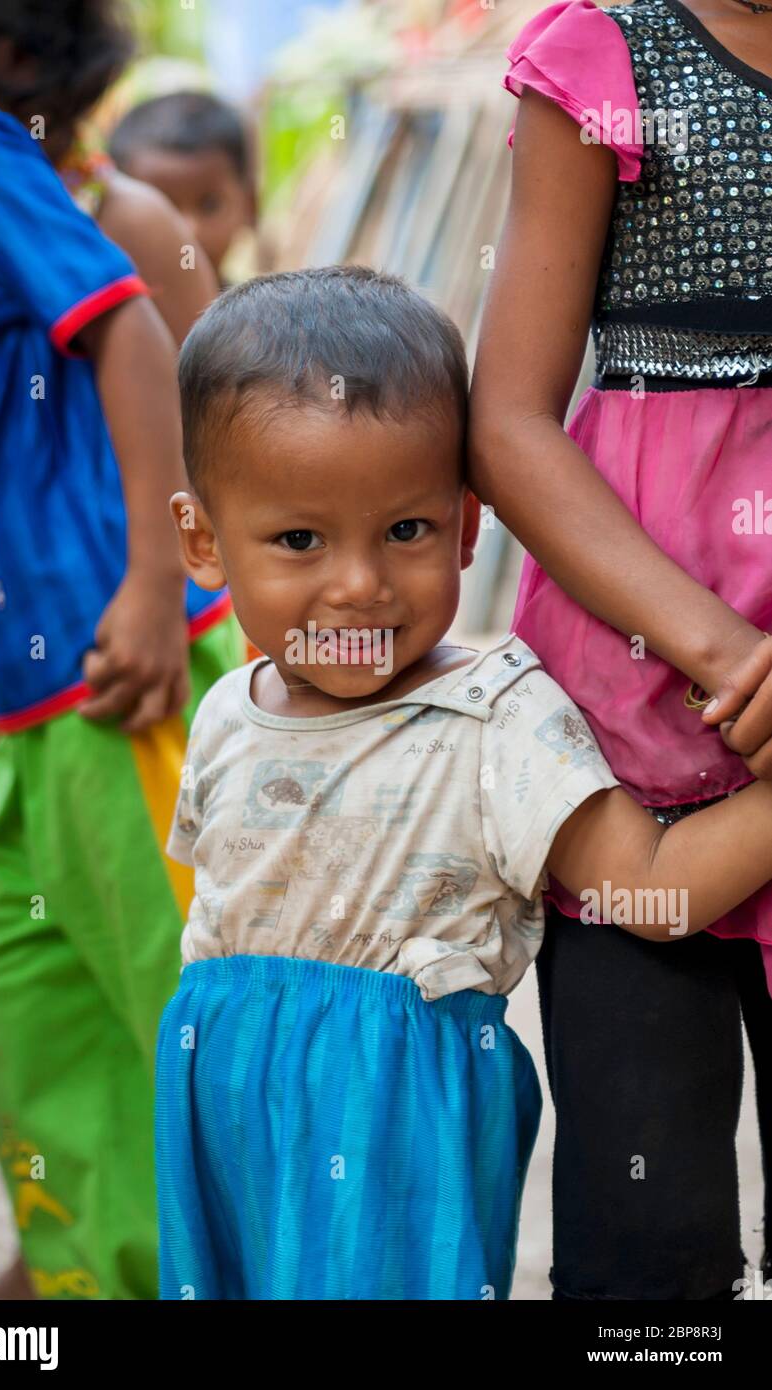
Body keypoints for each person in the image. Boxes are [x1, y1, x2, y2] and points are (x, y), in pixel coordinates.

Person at [156, 266, 772, 1301]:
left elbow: (648, 885)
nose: (359, 582)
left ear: (469, 524)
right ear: (203, 542)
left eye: (407, 531)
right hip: (222, 1114)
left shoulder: (497, 719)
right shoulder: (225, 712)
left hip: (398, 1132)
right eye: (299, 539)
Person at [0, 1, 241, 1299]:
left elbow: (128, 327)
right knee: (42, 1031)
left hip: (119, 668)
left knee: (193, 1023)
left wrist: (157, 582)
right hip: (23, 698)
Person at [469, 0, 772, 1299]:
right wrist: (721, 649)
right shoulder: (606, 52)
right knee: (645, 1229)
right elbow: (509, 420)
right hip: (636, 719)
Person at [109, 90, 257, 284]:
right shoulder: (95, 310)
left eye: (209, 205)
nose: (190, 231)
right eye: (162, 208)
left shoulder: (258, 313)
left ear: (250, 206)